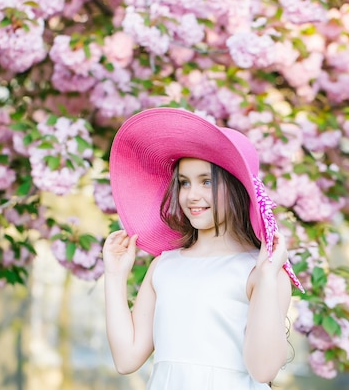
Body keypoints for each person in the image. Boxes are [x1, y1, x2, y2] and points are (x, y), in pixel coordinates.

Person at [103, 107, 304, 390]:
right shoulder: (164, 265)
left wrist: (268, 277)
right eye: (184, 183)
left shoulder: (260, 271)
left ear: (238, 186)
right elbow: (126, 359)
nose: (191, 196)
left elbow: (263, 370)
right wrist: (114, 276)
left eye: (206, 181)